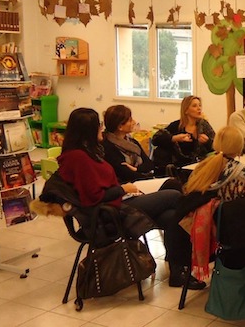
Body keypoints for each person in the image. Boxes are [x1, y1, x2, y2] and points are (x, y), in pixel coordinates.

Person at [56, 108, 204, 289]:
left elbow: (143, 167)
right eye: (98, 125)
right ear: (88, 130)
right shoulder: (79, 158)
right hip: (111, 212)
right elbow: (93, 197)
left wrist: (124, 187)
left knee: (172, 216)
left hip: (118, 201)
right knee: (175, 195)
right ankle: (196, 246)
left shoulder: (86, 152)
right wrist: (122, 188)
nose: (101, 129)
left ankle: (179, 271)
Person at [178, 126, 245, 281]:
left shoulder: (202, 167)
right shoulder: (243, 173)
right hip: (240, 230)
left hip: (214, 229)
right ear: (239, 146)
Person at [151, 95, 215, 177]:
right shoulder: (176, 126)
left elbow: (216, 146)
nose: (199, 108)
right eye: (194, 106)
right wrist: (174, 138)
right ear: (186, 110)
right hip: (180, 167)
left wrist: (207, 142)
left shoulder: (204, 125)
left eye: (200, 105)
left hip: (199, 166)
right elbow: (155, 138)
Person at [101, 105, 155, 184]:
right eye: (130, 120)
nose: (134, 122)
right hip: (127, 186)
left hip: (141, 179)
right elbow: (125, 174)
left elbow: (150, 164)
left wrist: (137, 169)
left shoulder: (132, 142)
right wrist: (149, 178)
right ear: (120, 127)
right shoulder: (108, 147)